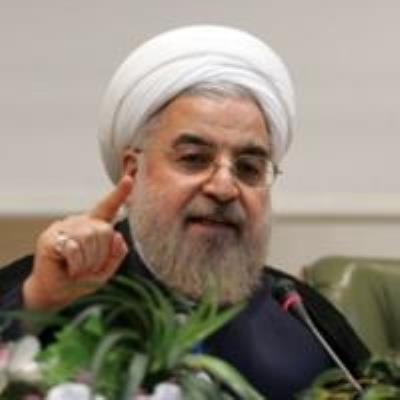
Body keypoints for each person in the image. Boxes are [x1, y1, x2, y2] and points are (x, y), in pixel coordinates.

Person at [0, 25, 369, 399]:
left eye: (248, 167)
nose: (224, 188)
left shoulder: (300, 315)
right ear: (132, 171)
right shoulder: (48, 288)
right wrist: (36, 303)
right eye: (194, 158)